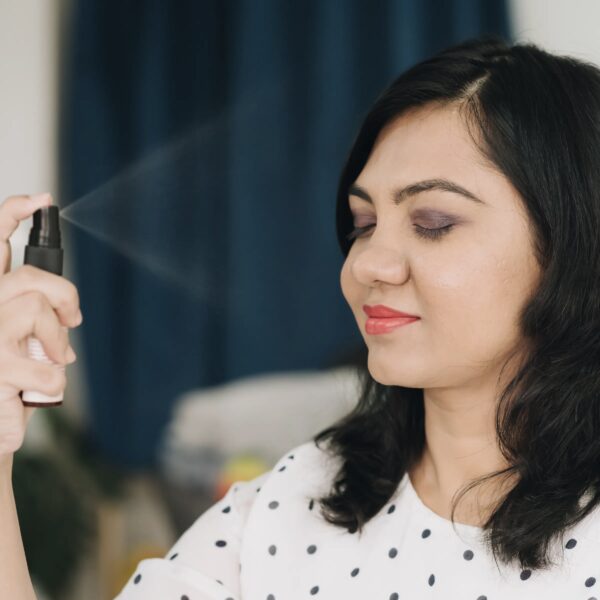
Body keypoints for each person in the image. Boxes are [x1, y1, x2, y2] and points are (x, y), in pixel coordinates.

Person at [3, 32, 600, 599]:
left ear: (573, 245)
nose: (368, 264)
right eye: (364, 225)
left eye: (432, 223)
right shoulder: (286, 506)